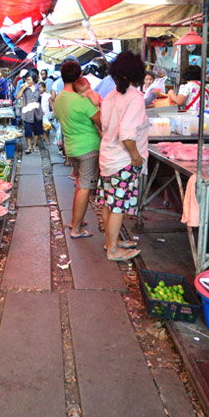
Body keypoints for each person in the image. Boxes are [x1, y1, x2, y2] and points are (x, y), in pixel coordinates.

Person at [96, 51, 149, 262]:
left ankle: (112, 242)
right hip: (122, 161)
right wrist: (135, 156)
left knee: (109, 203)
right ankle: (113, 251)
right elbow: (127, 134)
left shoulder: (111, 96)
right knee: (117, 206)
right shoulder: (135, 98)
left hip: (108, 157)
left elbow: (105, 125)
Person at [54, 60, 101, 238]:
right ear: (80, 75)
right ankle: (76, 229)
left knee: (79, 184)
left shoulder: (59, 99)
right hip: (88, 148)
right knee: (84, 187)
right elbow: (102, 121)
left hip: (71, 148)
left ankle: (75, 220)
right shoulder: (82, 101)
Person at [16, 72, 42, 153]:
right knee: (28, 130)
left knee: (37, 130)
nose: (28, 81)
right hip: (27, 112)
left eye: (29, 80)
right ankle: (29, 147)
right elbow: (17, 97)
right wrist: (23, 88)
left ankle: (34, 145)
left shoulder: (38, 87)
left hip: (37, 112)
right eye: (27, 79)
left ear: (34, 79)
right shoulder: (23, 86)